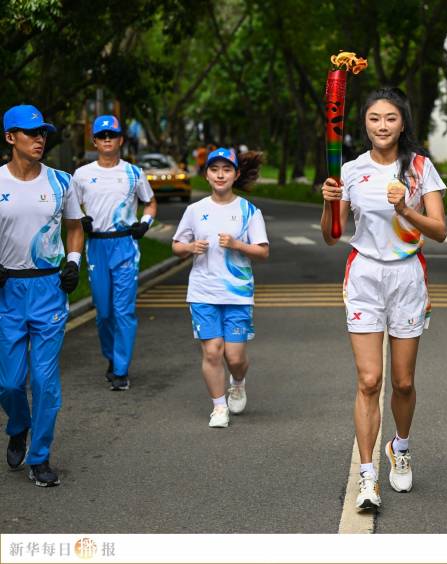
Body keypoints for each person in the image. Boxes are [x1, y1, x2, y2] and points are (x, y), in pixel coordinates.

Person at [320, 87, 446, 510]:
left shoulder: (419, 167)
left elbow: (440, 230)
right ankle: (368, 477)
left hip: (408, 276)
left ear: (403, 122)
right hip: (365, 276)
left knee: (403, 382)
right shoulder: (351, 171)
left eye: (390, 118)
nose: (382, 126)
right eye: (374, 118)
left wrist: (405, 208)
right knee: (369, 380)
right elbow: (331, 234)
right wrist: (328, 203)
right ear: (365, 124)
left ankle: (401, 446)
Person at [0, 104, 84, 487]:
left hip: (50, 288)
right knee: (10, 383)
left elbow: (75, 227)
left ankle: (40, 456)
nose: (39, 139)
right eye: (30, 132)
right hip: (8, 290)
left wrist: (73, 262)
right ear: (9, 137)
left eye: (42, 133)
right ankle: (18, 426)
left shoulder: (62, 182)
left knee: (45, 381)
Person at [172, 148, 268, 428]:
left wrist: (237, 245)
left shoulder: (249, 211)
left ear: (236, 174)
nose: (220, 174)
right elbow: (176, 245)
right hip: (203, 292)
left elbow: (262, 251)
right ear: (207, 174)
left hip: (237, 294)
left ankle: (237, 381)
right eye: (215, 169)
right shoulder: (195, 210)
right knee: (213, 351)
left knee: (234, 357)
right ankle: (218, 407)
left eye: (227, 169)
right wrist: (190, 247)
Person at [71, 115, 157, 391]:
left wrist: (145, 223)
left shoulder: (133, 173)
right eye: (102, 136)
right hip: (96, 246)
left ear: (121, 140)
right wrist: (80, 219)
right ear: (95, 141)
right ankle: (111, 357)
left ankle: (121, 369)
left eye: (113, 135)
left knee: (123, 310)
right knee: (104, 311)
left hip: (124, 246)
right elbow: (72, 210)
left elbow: (150, 202)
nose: (108, 140)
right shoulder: (82, 174)